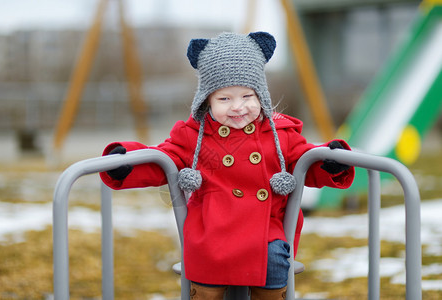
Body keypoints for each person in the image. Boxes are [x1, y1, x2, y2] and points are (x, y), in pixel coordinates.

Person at [100, 31, 355, 300]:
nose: (238, 107)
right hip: (212, 230)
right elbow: (164, 160)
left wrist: (329, 162)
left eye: (247, 96)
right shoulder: (194, 135)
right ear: (206, 100)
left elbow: (305, 161)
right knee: (206, 266)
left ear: (261, 96)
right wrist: (127, 162)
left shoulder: (281, 135)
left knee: (274, 258)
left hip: (266, 231)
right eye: (224, 99)